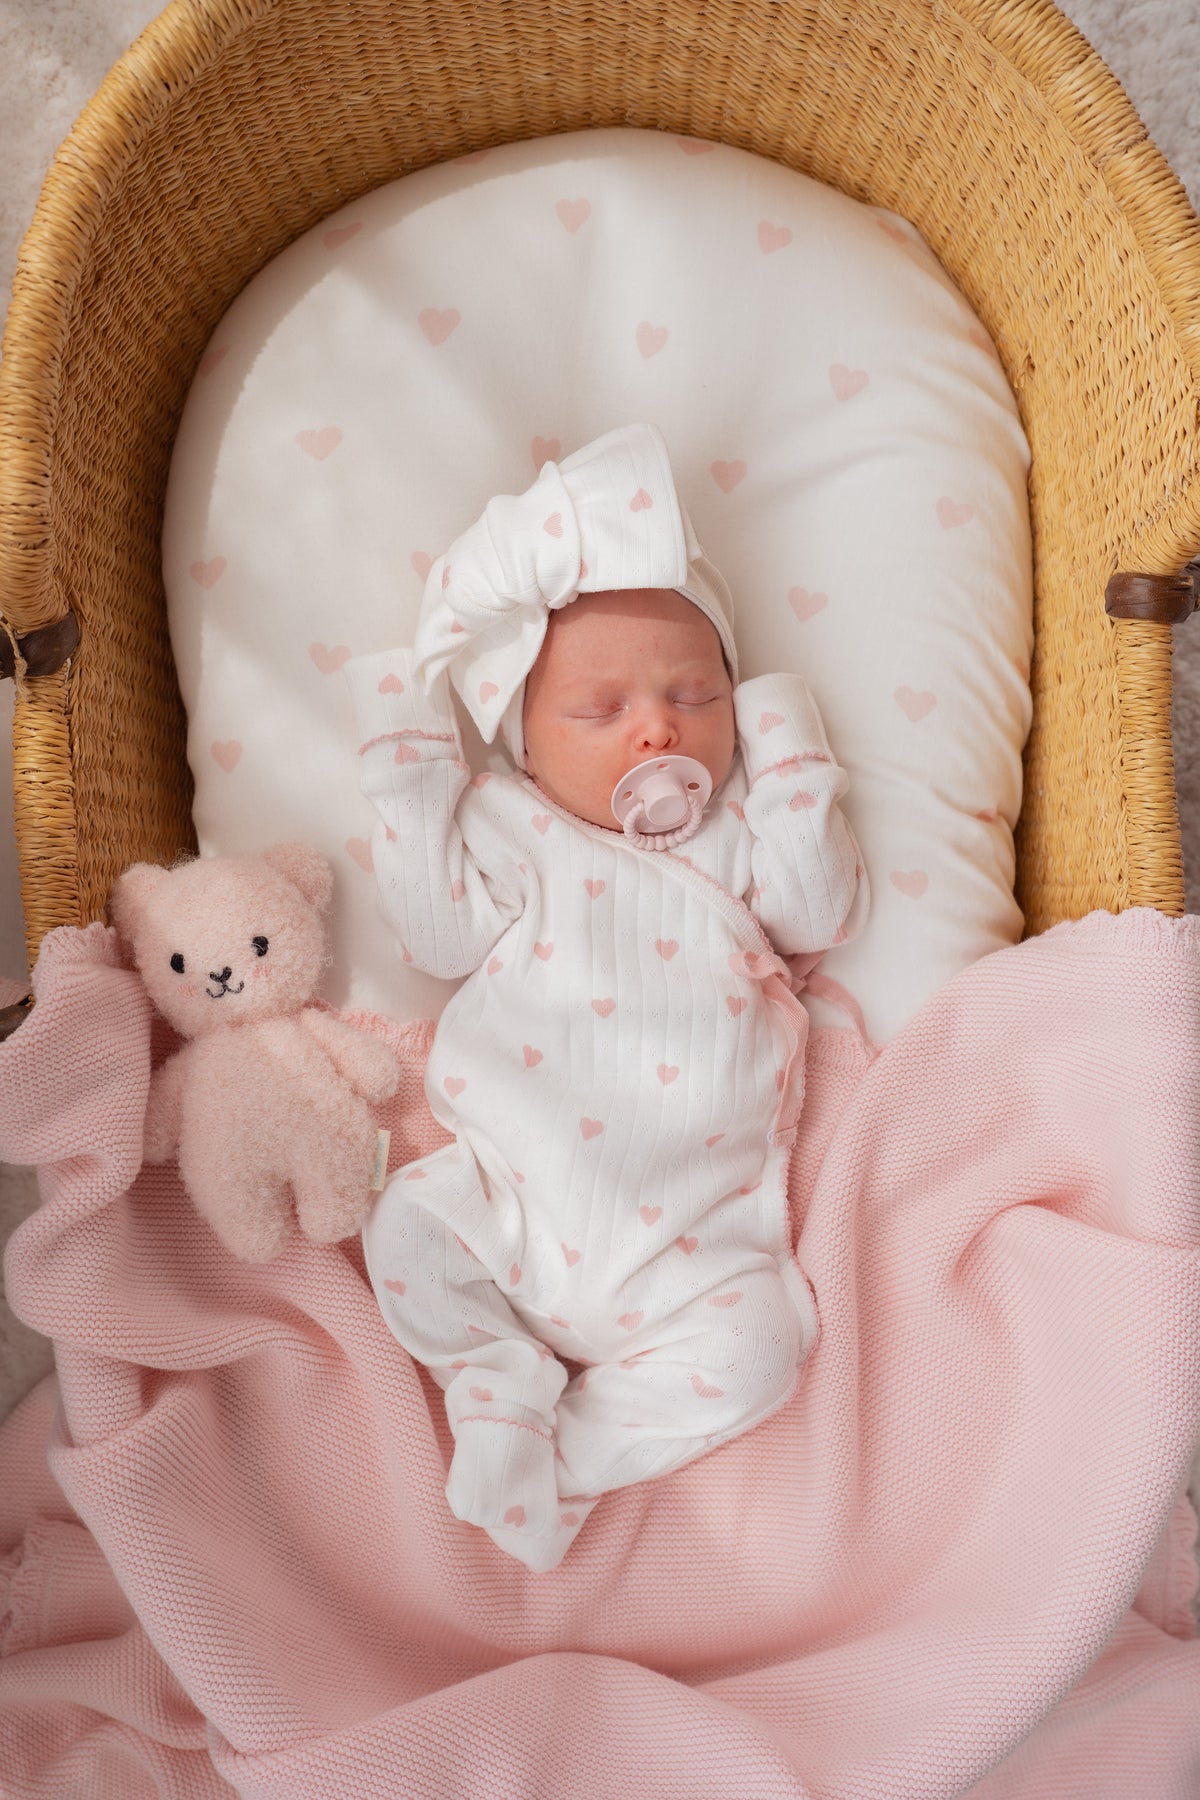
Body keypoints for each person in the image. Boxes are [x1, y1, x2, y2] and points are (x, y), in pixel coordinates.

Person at [344, 422, 868, 1570]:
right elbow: (435, 933)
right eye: (601, 709)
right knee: (406, 1225)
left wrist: (789, 755)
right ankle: (493, 1378)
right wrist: (413, 778)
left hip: (693, 1236)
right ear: (525, 749)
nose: (657, 726)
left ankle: (564, 1461)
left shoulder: (736, 838)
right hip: (511, 1195)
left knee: (764, 1347)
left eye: (698, 694)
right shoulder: (515, 825)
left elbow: (818, 913)